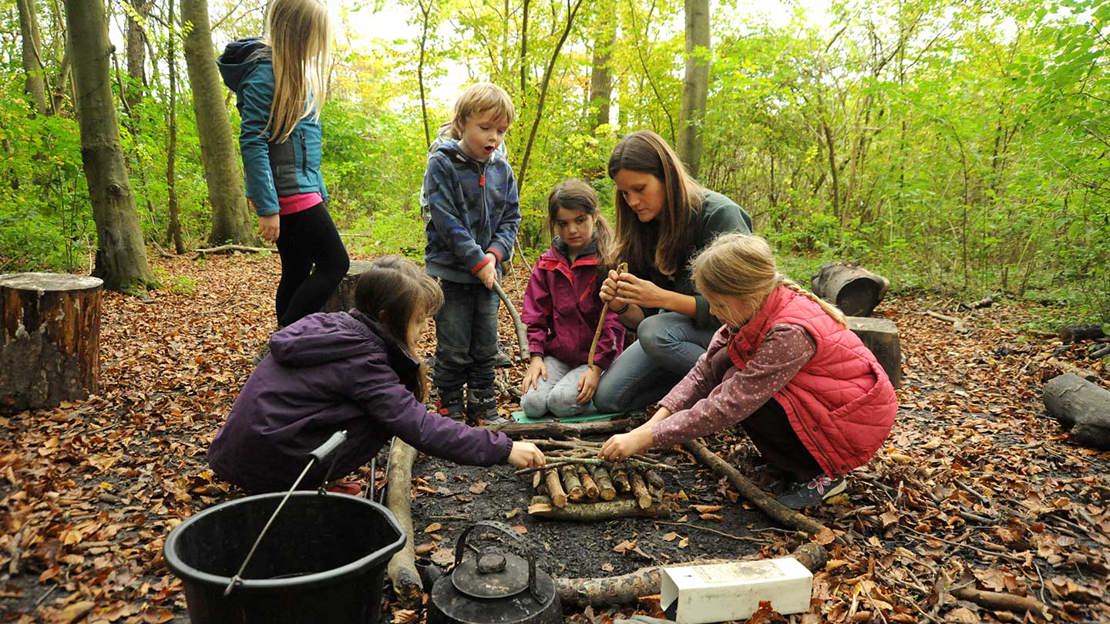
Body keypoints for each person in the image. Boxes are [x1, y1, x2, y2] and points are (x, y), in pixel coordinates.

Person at [598, 234, 897, 508]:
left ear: (746, 296)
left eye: (718, 304)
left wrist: (649, 438)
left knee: (740, 389)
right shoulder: (749, 313)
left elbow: (728, 405)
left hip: (849, 420)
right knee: (726, 371)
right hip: (826, 405)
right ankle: (790, 461)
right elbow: (703, 372)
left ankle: (823, 474)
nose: (712, 312)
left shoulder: (789, 332)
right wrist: (649, 426)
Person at [208, 256, 545, 494]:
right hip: (267, 462)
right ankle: (300, 482)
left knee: (380, 408)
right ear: (386, 317)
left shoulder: (336, 326)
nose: (424, 328)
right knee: (381, 417)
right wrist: (503, 449)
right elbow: (419, 426)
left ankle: (307, 473)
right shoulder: (362, 362)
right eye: (417, 320)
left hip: (249, 450)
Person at [593, 130, 752, 412]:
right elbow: (643, 318)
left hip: (730, 336)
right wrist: (621, 304)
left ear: (667, 176)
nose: (632, 202)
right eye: (625, 193)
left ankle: (741, 392)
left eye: (640, 189)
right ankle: (690, 392)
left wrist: (662, 298)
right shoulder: (644, 226)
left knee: (656, 332)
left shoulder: (718, 215)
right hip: (675, 337)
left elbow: (744, 308)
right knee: (609, 398)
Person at [218, 0, 349, 328]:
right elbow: (254, 142)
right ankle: (283, 341)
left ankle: (288, 342)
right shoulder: (266, 74)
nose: (319, 46)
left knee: (296, 269)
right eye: (316, 37)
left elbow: (304, 141)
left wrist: (319, 189)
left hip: (302, 189)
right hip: (289, 194)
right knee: (335, 264)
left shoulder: (292, 72)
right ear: (299, 34)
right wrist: (267, 207)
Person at [423, 83, 520, 422]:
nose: (493, 137)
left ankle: (483, 405)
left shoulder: (501, 170)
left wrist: (494, 255)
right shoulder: (442, 164)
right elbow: (445, 219)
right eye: (485, 127)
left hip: (489, 275)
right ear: (462, 122)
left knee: (485, 346)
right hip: (451, 273)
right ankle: (448, 409)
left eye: (501, 130)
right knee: (454, 346)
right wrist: (476, 261)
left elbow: (511, 217)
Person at [519, 180, 626, 418]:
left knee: (561, 402)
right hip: (560, 355)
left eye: (580, 220)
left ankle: (608, 394)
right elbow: (535, 314)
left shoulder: (608, 261)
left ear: (594, 217)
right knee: (532, 405)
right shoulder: (548, 263)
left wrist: (597, 368)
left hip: (597, 359)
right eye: (563, 224)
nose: (572, 230)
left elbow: (614, 321)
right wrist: (536, 357)